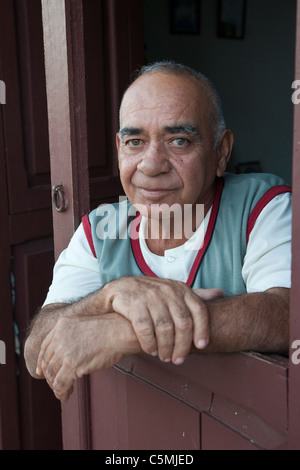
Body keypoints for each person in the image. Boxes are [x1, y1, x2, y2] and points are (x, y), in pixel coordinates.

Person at [24, 61, 292, 403]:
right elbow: (37, 351)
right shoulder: (101, 228)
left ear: (221, 152)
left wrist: (123, 330)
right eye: (135, 141)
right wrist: (109, 297)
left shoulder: (263, 205)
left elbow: (285, 314)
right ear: (119, 148)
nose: (151, 164)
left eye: (179, 140)